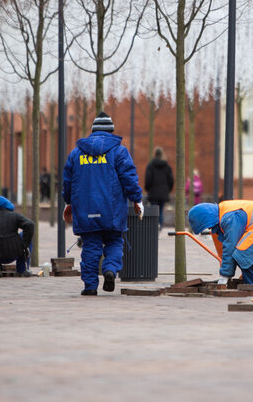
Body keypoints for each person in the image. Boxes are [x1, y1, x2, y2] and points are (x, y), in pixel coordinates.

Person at [62, 111, 143, 296]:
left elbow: (68, 182)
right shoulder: (120, 151)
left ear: (92, 130)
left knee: (90, 246)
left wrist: (68, 202)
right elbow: (129, 179)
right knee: (114, 241)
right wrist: (137, 199)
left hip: (85, 210)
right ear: (111, 130)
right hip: (112, 210)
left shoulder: (76, 154)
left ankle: (90, 286)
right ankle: (110, 270)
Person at [188, 200, 253, 289]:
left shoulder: (229, 217)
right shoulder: (223, 212)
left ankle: (252, 287)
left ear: (207, 218)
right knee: (242, 256)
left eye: (208, 226)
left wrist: (225, 275)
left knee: (242, 255)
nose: (209, 229)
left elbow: (230, 247)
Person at [144, 147, 174, 230]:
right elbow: (171, 180)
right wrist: (168, 190)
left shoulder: (151, 165)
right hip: (163, 192)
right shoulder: (167, 166)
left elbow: (148, 179)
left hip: (153, 192)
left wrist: (148, 189)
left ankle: (154, 228)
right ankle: (160, 228)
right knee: (160, 211)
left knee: (154, 210)